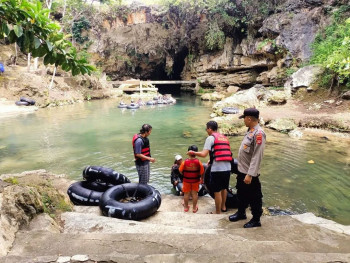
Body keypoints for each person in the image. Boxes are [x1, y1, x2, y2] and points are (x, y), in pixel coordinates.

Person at [228, 108, 266, 228]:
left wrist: (250, 174)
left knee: (254, 197)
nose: (243, 120)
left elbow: (257, 156)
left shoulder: (259, 134)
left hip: (250, 174)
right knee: (241, 193)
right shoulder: (250, 131)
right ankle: (241, 213)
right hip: (242, 170)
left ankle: (256, 219)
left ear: (249, 119)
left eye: (244, 118)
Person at [187, 121, 232, 214]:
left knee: (217, 190)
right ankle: (223, 207)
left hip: (218, 169)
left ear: (210, 129)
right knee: (224, 188)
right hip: (228, 167)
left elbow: (203, 154)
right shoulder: (224, 137)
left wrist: (193, 153)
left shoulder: (210, 138)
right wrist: (211, 160)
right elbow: (222, 152)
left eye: (206, 129)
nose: (206, 131)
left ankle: (217, 211)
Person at [179, 145, 204, 213]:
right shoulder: (199, 162)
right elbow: (202, 172)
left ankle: (186, 207)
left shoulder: (184, 162)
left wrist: (184, 175)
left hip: (186, 181)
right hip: (195, 181)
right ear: (196, 153)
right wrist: (201, 179)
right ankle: (194, 208)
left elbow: (180, 171)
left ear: (188, 152)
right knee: (194, 194)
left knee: (186, 194)